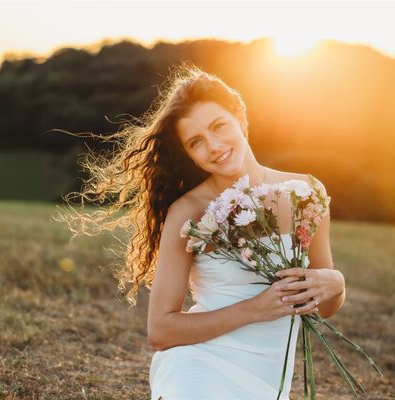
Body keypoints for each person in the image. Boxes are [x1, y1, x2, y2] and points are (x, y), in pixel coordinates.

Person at [54, 62, 346, 400]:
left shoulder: (305, 193)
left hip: (269, 381)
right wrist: (254, 309)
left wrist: (336, 283)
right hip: (199, 366)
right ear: (190, 155)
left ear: (240, 116)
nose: (214, 146)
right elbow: (161, 331)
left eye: (219, 126)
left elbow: (324, 306)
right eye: (196, 142)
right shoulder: (189, 212)